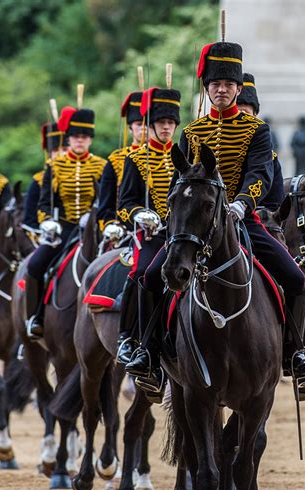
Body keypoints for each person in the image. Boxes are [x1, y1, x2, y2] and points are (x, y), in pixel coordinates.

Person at [126, 40, 305, 393]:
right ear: (207, 88)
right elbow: (178, 183)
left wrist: (243, 203)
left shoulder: (255, 131)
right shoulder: (191, 133)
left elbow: (260, 174)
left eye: (228, 85)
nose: (222, 90)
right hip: (197, 224)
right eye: (216, 85)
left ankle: (298, 353)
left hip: (240, 218)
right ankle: (149, 354)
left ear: (237, 89)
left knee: (293, 278)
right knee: (152, 277)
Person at [115, 85, 181, 376]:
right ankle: (131, 339)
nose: (166, 127)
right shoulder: (137, 159)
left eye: (170, 123)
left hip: (182, 235)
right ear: (152, 125)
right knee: (143, 273)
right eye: (161, 123)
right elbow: (124, 203)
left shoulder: (184, 156)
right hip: (152, 235)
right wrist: (140, 214)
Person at [25, 105, 106, 339]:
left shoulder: (101, 166)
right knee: (35, 265)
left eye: (84, 137)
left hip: (95, 229)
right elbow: (44, 203)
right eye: (75, 137)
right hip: (65, 228)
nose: (80, 141)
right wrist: (48, 221)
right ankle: (35, 317)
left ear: (90, 139)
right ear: (68, 138)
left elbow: (109, 198)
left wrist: (99, 219)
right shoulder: (55, 166)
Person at [97, 89, 145, 233]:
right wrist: (110, 223)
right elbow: (106, 203)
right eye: (138, 124)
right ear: (130, 128)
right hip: (124, 229)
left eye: (146, 124)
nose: (143, 128)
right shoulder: (116, 159)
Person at [236, 72, 285, 211]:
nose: (241, 119)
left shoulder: (270, 157)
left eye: (245, 113)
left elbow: (275, 204)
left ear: (255, 116)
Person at [23, 121, 66, 234]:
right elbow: (30, 221)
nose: (60, 155)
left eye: (65, 149)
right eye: (56, 150)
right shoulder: (38, 181)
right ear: (49, 153)